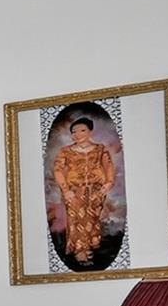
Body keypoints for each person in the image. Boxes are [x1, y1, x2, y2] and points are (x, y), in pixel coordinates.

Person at [49, 101, 117, 267]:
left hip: (96, 191)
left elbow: (108, 167)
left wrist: (108, 183)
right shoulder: (65, 151)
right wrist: (66, 190)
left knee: (92, 220)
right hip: (74, 191)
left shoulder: (100, 149)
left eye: (82, 130)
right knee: (76, 220)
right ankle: (80, 253)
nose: (77, 134)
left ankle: (88, 249)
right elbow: (58, 170)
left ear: (90, 131)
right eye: (74, 132)